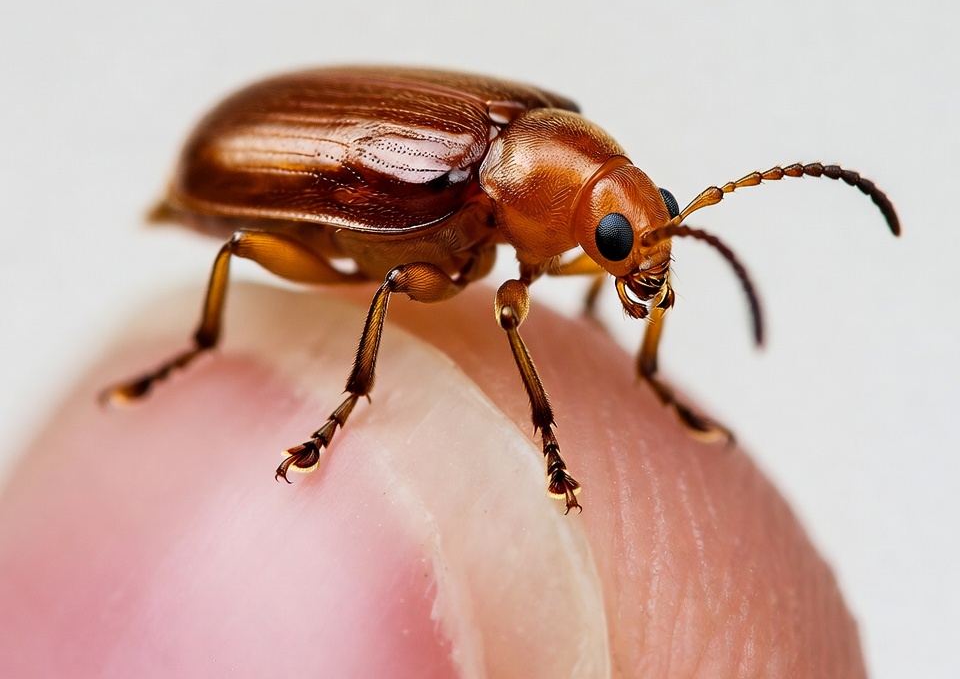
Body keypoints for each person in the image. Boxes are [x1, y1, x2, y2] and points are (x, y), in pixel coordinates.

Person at [0, 282, 866, 677]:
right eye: (615, 246)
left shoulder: (544, 178)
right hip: (288, 183)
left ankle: (637, 382)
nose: (644, 267)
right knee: (390, 287)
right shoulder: (483, 193)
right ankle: (330, 392)